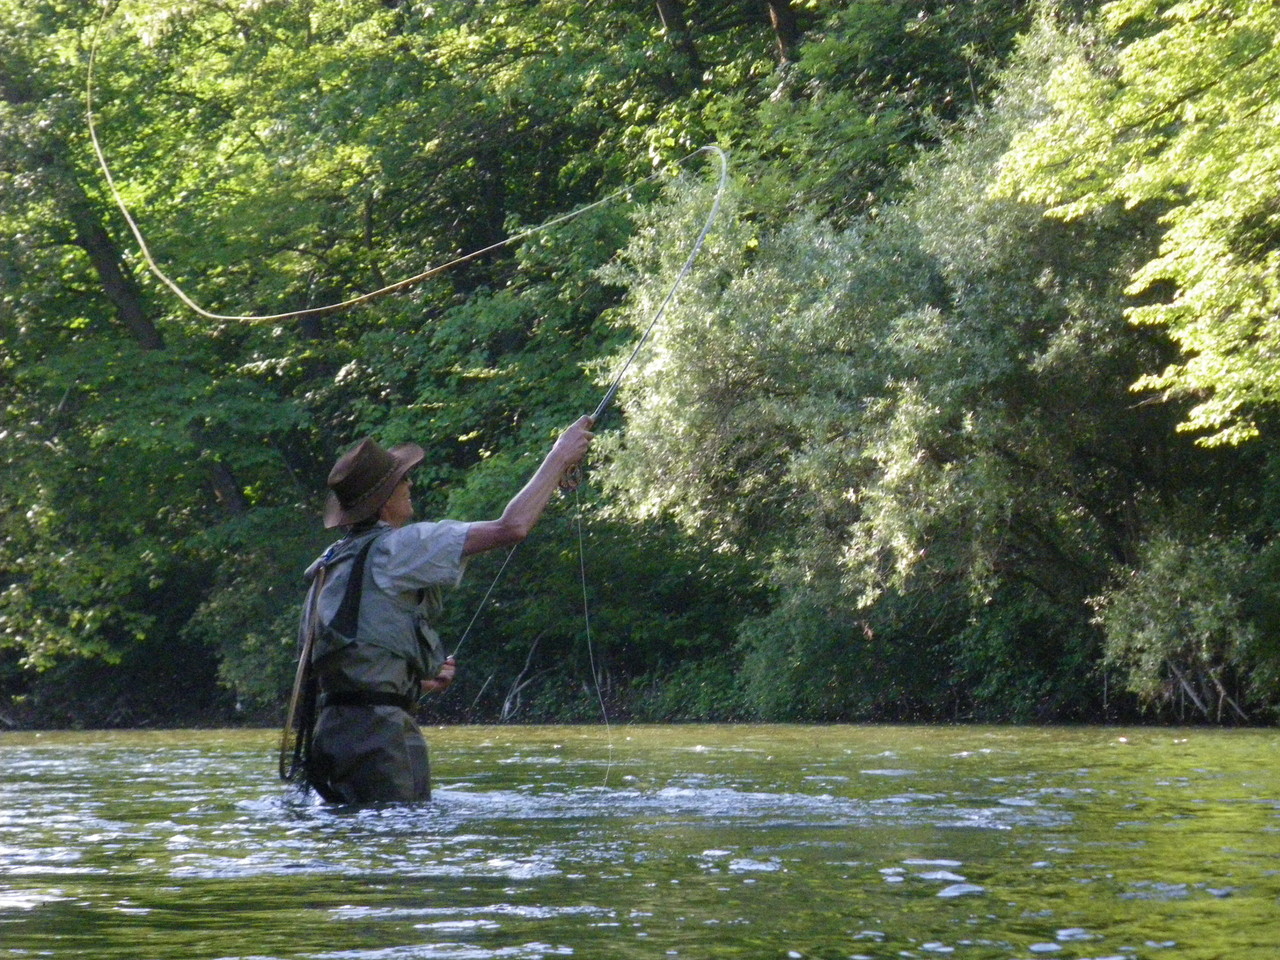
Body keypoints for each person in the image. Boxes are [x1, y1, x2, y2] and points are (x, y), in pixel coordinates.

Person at [299, 415, 594, 804]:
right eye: (403, 479)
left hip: (336, 732)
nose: (411, 484)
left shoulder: (332, 561)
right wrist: (559, 457)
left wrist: (413, 683)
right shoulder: (397, 548)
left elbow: (341, 663)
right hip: (376, 736)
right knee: (397, 851)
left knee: (368, 845)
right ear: (386, 497)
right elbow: (512, 527)